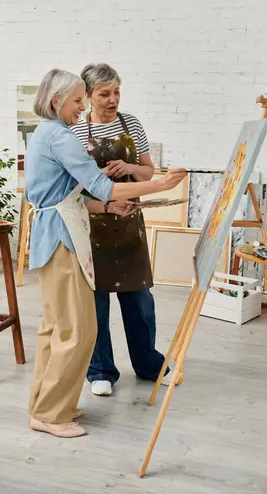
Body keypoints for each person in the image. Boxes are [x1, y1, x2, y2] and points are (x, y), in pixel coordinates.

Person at [25, 68, 186, 438]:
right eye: (79, 99)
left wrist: (106, 208)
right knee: (78, 329)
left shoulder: (47, 134)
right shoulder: (63, 137)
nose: (82, 108)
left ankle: (51, 405)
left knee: (56, 328)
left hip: (63, 231)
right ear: (57, 101)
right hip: (64, 238)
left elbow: (74, 196)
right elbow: (101, 186)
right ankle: (50, 415)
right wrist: (158, 183)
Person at [70, 63, 173, 397]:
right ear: (87, 96)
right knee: (96, 303)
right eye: (104, 94)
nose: (112, 99)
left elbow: (147, 173)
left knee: (139, 301)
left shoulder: (132, 124)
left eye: (116, 92)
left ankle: (149, 365)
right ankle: (100, 370)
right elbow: (72, 188)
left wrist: (129, 167)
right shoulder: (75, 133)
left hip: (130, 224)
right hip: (92, 226)